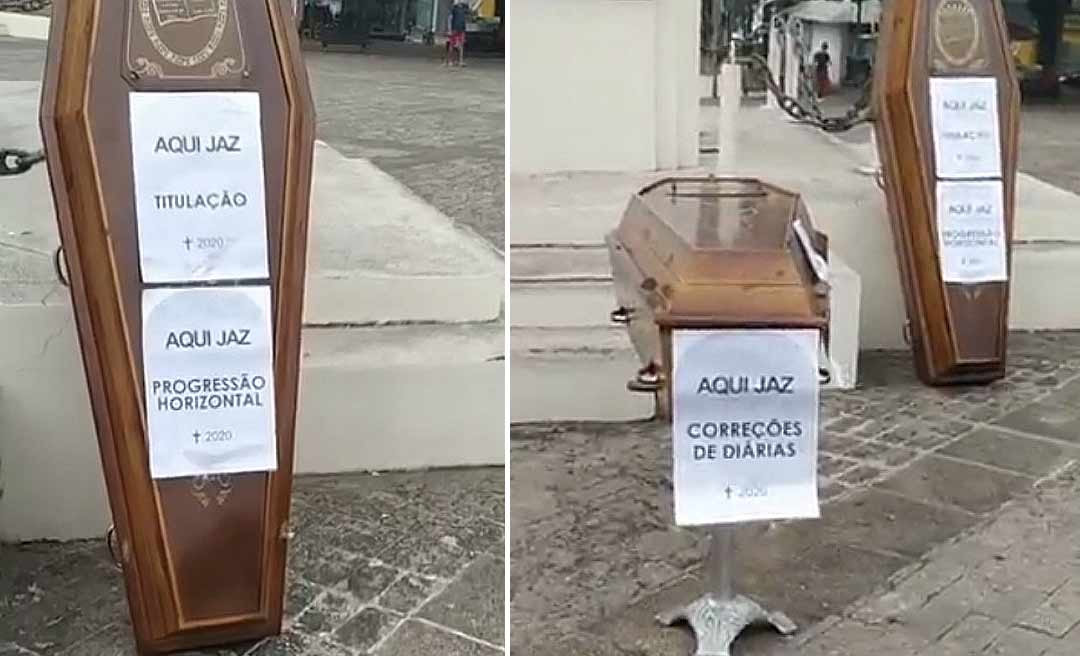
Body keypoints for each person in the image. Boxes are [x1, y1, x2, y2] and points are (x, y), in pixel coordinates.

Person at [447, 0, 468, 67]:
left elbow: (473, 10)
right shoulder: (454, 9)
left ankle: (460, 61)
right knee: (452, 45)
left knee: (461, 45)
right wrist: (449, 29)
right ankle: (450, 61)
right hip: (454, 29)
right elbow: (449, 19)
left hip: (461, 29)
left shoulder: (464, 9)